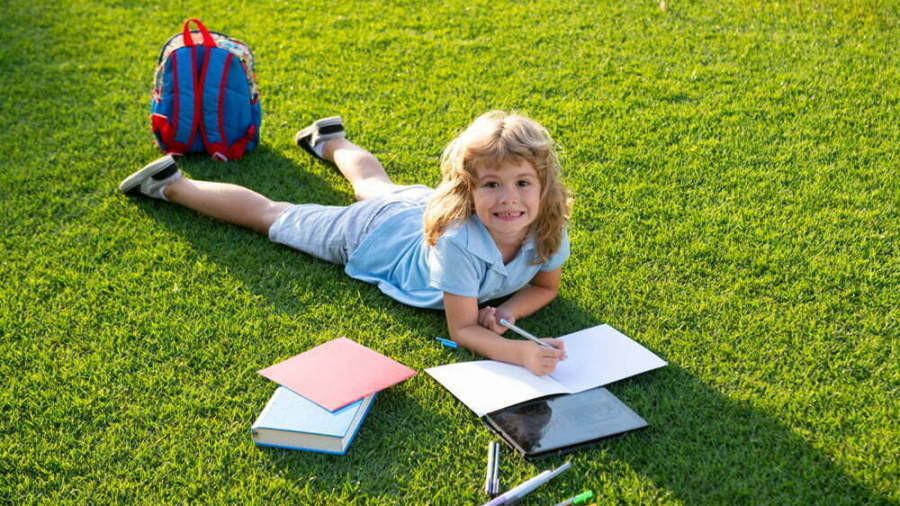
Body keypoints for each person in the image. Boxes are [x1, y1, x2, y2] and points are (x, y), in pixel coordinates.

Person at [119, 111, 572, 375]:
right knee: (275, 216)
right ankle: (170, 185)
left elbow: (544, 289)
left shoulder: (549, 227)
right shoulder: (459, 242)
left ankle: (328, 138)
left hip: (416, 208)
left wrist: (509, 312)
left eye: (522, 183)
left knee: (375, 183)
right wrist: (522, 353)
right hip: (375, 236)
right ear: (467, 191)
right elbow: (464, 329)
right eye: (491, 184)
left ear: (544, 187)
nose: (509, 198)